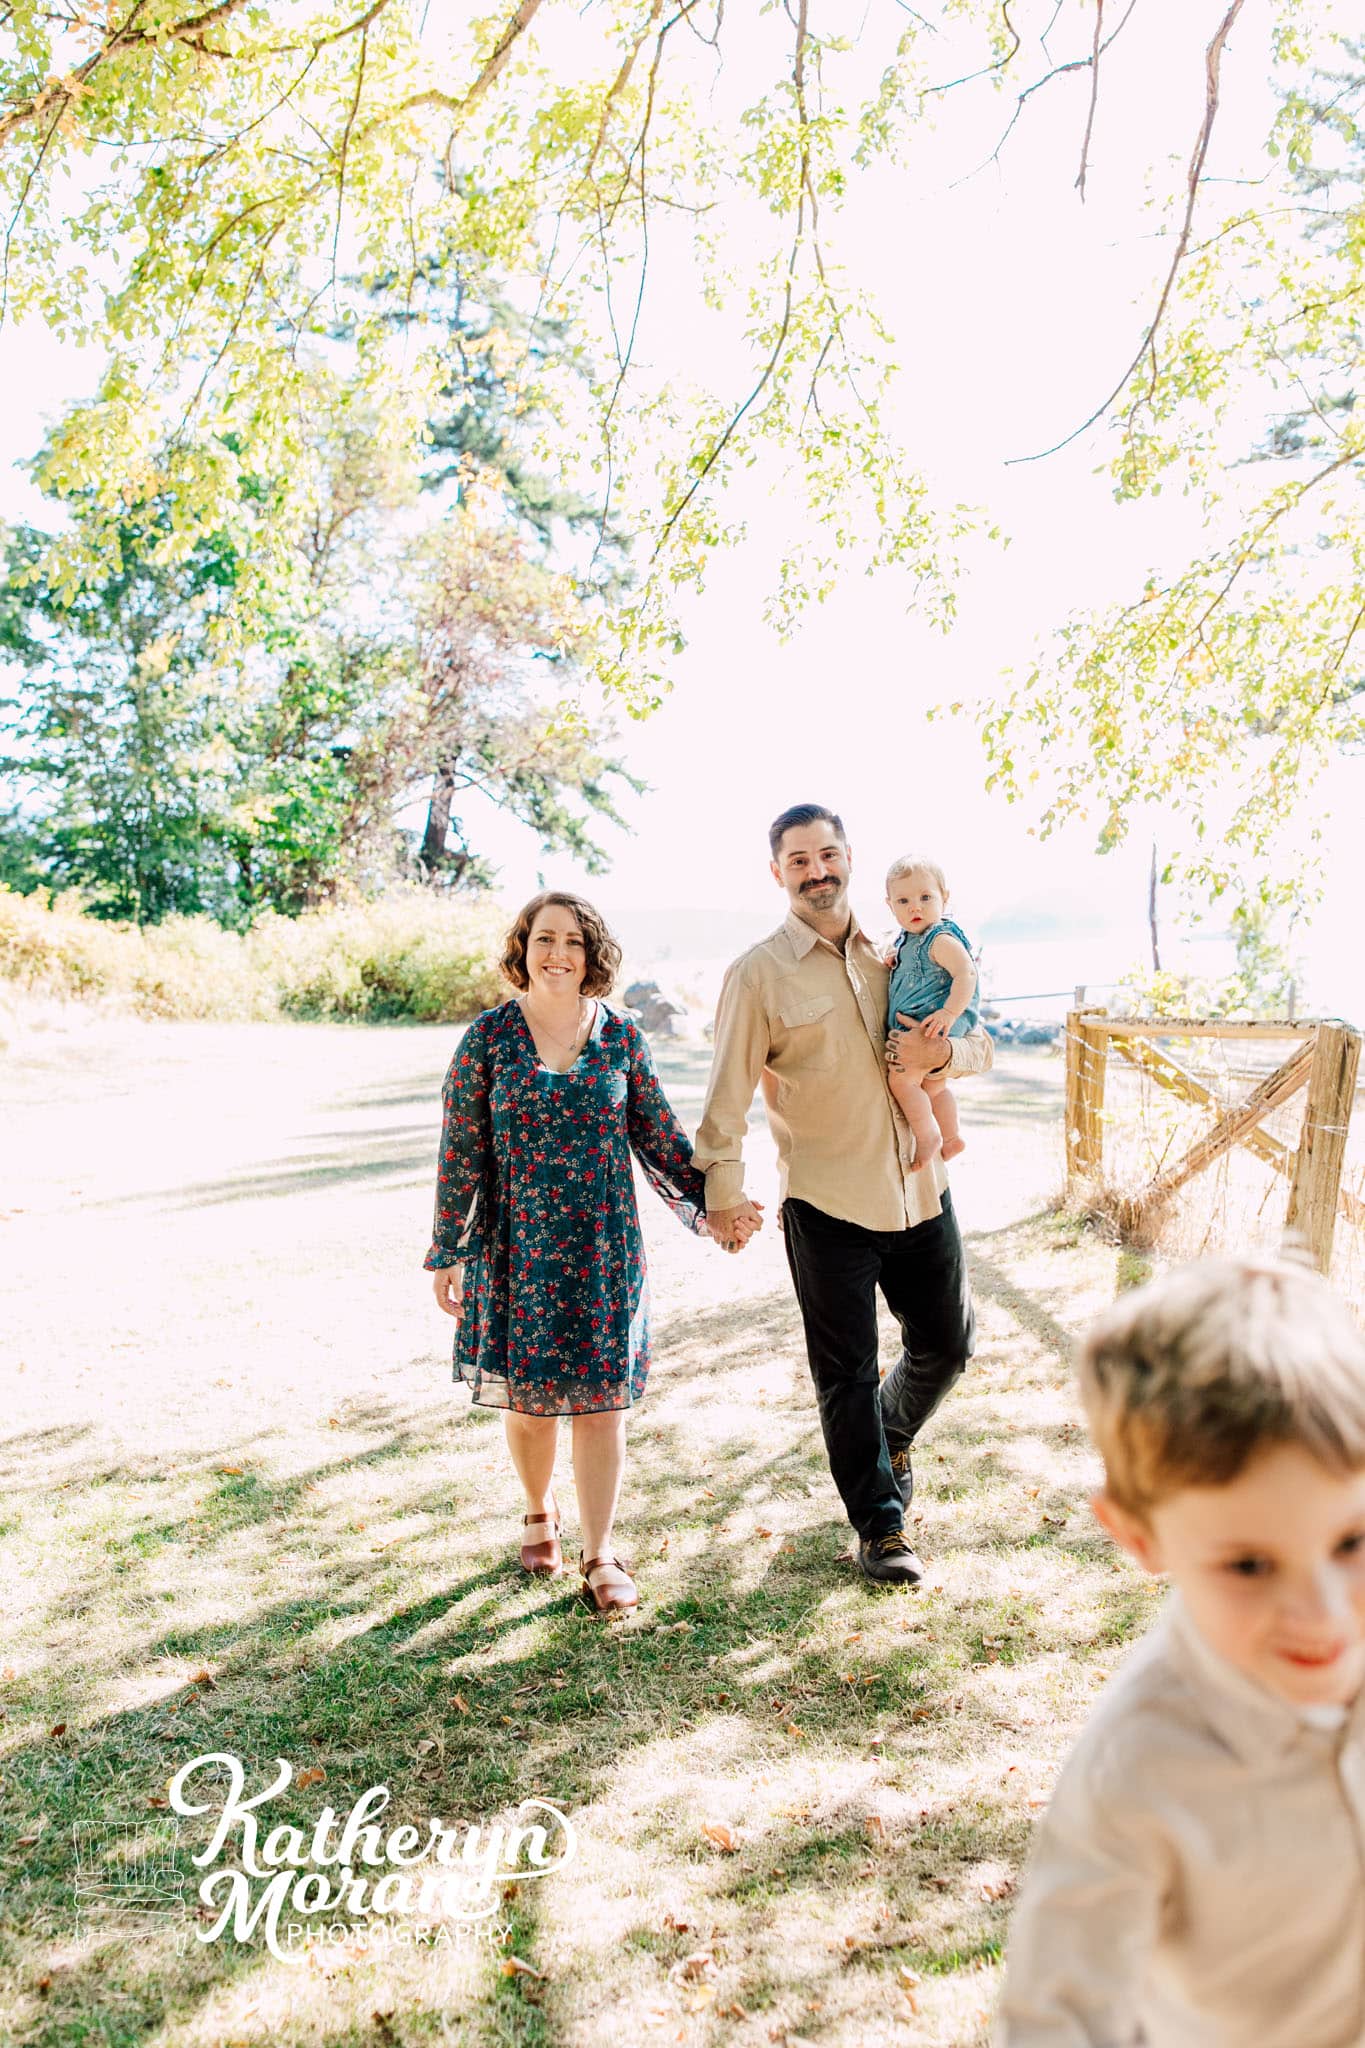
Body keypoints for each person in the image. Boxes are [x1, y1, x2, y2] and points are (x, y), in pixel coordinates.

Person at [995, 1254, 1365, 2048]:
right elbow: (1056, 2018)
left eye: (1351, 1540)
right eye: (1248, 1565)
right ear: (1138, 1536)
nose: (1324, 1612)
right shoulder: (1136, 1768)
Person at [425, 890, 754, 1616]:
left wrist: (717, 1207)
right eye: (544, 939)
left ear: (592, 955)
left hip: (604, 1250)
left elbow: (661, 1139)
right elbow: (462, 1152)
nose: (557, 954)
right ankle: (538, 1512)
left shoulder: (622, 1037)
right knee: (532, 1405)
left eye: (573, 941)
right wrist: (448, 1246)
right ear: (522, 949)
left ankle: (599, 1552)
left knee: (602, 1405)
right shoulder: (486, 1039)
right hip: (516, 1250)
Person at [693, 803, 993, 1586]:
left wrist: (950, 1049)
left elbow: (978, 1045)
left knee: (948, 1343)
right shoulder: (757, 974)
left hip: (921, 1191)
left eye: (827, 854)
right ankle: (881, 1526)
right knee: (845, 1376)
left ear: (849, 859)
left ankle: (889, 1433)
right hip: (828, 1205)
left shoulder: (902, 953)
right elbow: (725, 1099)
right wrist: (722, 1194)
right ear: (777, 873)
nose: (816, 870)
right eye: (798, 860)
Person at [883, 856, 979, 1171]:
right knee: (935, 1087)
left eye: (926, 898)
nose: (915, 907)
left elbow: (967, 974)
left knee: (903, 1082)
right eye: (904, 900)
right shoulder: (908, 940)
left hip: (931, 1027)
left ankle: (928, 1136)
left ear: (944, 898)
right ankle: (951, 1137)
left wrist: (950, 1013)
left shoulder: (940, 939)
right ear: (890, 905)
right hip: (930, 1027)